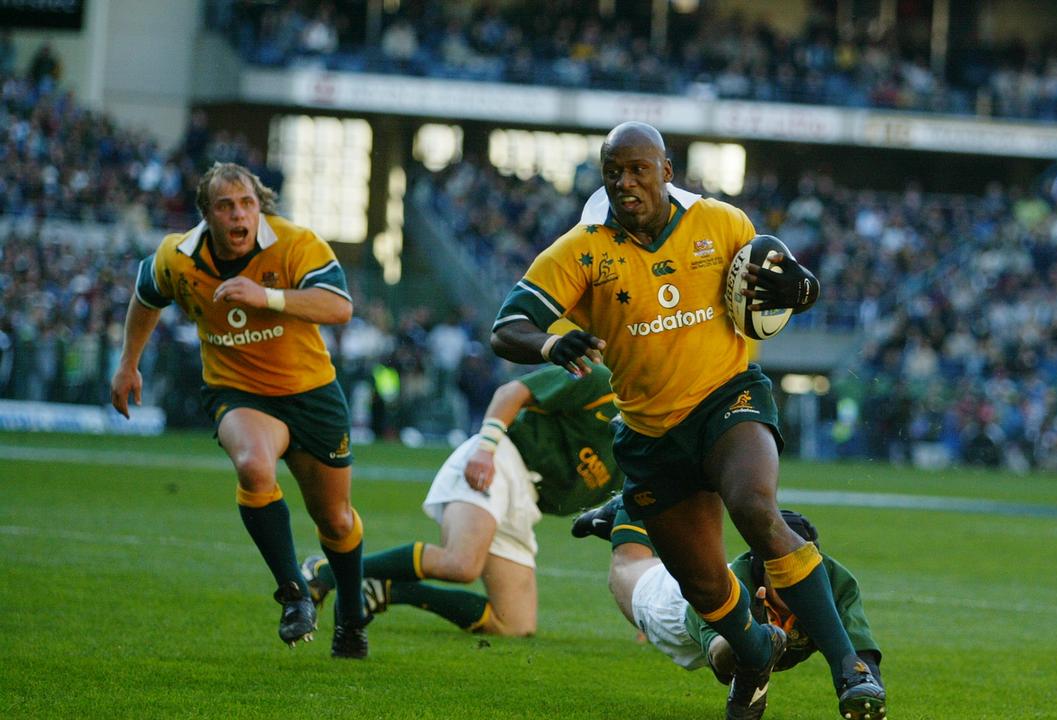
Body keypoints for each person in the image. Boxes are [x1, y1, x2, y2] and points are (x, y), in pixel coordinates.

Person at [490, 121, 885, 720]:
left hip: (728, 398)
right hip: (650, 435)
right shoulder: (583, 249)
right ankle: (753, 659)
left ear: (667, 172)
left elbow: (781, 291)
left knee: (756, 507)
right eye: (613, 172)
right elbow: (506, 327)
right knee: (704, 588)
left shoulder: (722, 224)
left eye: (637, 169)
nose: (625, 182)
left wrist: (803, 289)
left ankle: (850, 670)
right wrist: (549, 346)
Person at [109, 162, 370, 658]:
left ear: (260, 207)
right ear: (207, 214)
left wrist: (267, 296)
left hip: (311, 392)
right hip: (238, 392)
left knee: (335, 520)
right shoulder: (177, 257)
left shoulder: (295, 243)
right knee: (253, 466)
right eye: (226, 206)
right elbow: (146, 295)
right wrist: (128, 364)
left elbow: (338, 307)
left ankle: (352, 617)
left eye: (247, 203)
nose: (238, 214)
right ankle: (294, 594)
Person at [303, 360, 622, 636]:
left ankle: (388, 589)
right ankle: (325, 572)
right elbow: (511, 392)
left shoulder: (641, 450)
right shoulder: (599, 381)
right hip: (501, 458)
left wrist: (642, 613)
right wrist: (486, 448)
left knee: (515, 625)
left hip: (525, 500)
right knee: (461, 564)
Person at [573, 500, 884, 702]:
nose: (795, 585)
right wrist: (751, 640)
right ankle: (630, 502)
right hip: (674, 608)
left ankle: (636, 511)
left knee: (684, 533)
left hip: (710, 580)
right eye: (783, 575)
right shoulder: (729, 589)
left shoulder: (833, 582)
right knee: (628, 565)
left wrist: (865, 691)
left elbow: (860, 652)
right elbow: (722, 664)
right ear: (762, 569)